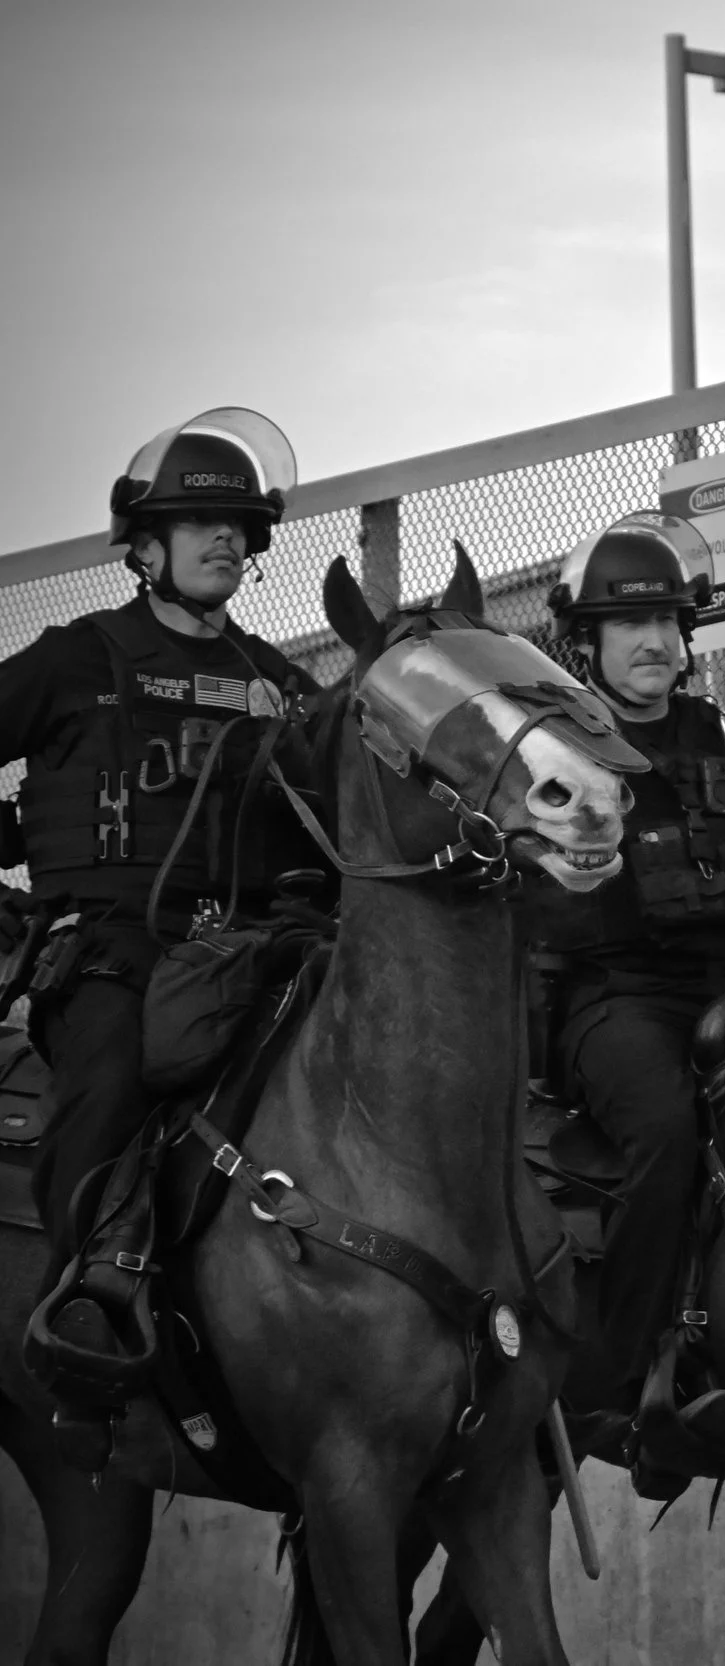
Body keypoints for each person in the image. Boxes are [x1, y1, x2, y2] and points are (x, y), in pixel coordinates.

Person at [0, 409, 321, 1449]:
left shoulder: (280, 680)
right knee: (105, 1086)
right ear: (145, 547)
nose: (227, 539)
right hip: (111, 947)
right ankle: (79, 1316)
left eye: (239, 526)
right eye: (199, 523)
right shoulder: (71, 656)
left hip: (253, 950)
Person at [524, 511, 725, 1480]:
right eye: (632, 624)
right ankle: (616, 1387)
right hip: (616, 997)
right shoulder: (557, 746)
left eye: (668, 619)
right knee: (663, 1126)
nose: (657, 639)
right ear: (587, 642)